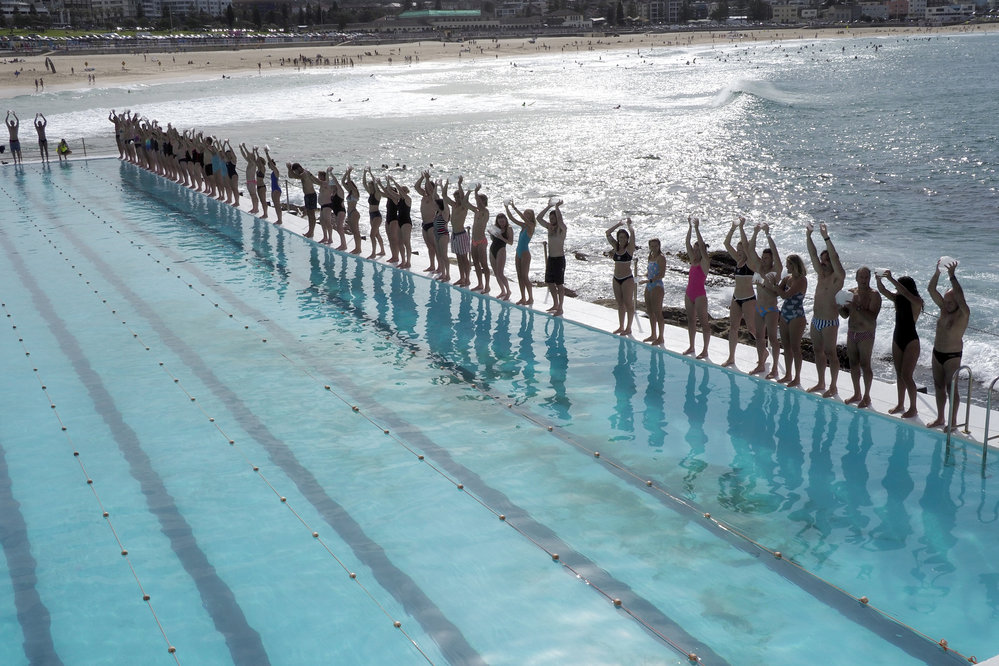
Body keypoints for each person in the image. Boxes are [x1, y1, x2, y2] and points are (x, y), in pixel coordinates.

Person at [927, 259, 970, 429]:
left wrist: (952, 276)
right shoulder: (944, 308)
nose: (946, 304)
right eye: (945, 301)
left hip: (952, 355)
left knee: (951, 388)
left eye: (951, 301)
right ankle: (940, 418)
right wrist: (937, 272)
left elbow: (960, 298)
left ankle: (952, 421)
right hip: (937, 352)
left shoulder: (963, 313)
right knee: (938, 386)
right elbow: (931, 290)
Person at [805, 222, 845, 397]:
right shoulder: (821, 275)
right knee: (817, 351)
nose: (823, 263)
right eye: (822, 261)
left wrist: (825, 236)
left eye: (826, 260)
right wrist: (808, 235)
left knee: (831, 353)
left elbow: (835, 257)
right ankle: (821, 382)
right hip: (816, 320)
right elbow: (812, 254)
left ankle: (833, 386)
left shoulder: (838, 277)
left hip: (829, 321)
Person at [876, 270, 923, 418]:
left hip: (911, 340)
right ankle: (900, 404)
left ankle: (913, 408)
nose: (897, 290)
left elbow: (905, 293)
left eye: (899, 287)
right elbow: (883, 290)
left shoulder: (916, 301)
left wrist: (891, 279)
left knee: (907, 375)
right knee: (899, 374)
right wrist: (878, 279)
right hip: (897, 338)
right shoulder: (898, 299)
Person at [839, 267, 882, 408]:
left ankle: (867, 396)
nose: (864, 280)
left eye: (866, 277)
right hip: (852, 332)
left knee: (865, 364)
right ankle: (857, 393)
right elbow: (845, 315)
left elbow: (872, 318)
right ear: (856, 278)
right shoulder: (850, 293)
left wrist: (858, 307)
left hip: (866, 333)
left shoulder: (874, 295)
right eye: (861, 277)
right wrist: (839, 306)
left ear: (869, 278)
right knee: (853, 364)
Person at [743, 222, 782, 378]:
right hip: (759, 308)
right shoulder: (759, 267)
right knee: (759, 337)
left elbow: (776, 254)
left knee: (772, 338)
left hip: (771, 309)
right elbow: (750, 250)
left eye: (767, 258)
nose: (764, 260)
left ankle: (774, 368)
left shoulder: (775, 270)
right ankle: (760, 364)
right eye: (763, 257)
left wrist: (767, 234)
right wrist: (755, 232)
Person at [722, 217, 758, 368]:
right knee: (733, 327)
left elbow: (748, 246)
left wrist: (742, 228)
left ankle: (764, 350)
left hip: (749, 298)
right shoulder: (737, 260)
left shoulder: (750, 262)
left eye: (742, 249)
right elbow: (726, 243)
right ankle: (731, 357)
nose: (739, 251)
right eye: (738, 249)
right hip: (736, 297)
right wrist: (733, 228)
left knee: (751, 328)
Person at [776, 254, 808, 387]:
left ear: (794, 265)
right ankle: (788, 374)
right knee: (786, 346)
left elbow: (784, 295)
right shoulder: (787, 278)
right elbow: (778, 289)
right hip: (785, 314)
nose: (786, 266)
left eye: (788, 264)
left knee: (795, 347)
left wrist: (774, 286)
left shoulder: (801, 280)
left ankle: (797, 377)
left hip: (797, 315)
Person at [683, 217, 711, 359]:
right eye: (694, 249)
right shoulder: (692, 260)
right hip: (689, 294)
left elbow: (701, 245)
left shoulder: (705, 263)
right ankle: (692, 346)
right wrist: (689, 227)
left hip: (700, 295)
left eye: (697, 249)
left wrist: (697, 228)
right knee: (691, 320)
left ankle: (705, 350)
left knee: (704, 323)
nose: (695, 251)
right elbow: (687, 243)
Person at [606, 218, 636, 335]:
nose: (622, 239)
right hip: (616, 278)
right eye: (620, 237)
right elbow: (607, 233)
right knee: (620, 304)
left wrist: (629, 225)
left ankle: (628, 327)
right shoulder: (616, 247)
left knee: (628, 303)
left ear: (627, 239)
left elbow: (633, 234)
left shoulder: (629, 249)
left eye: (624, 237)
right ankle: (621, 326)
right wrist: (618, 224)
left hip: (627, 279)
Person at [537, 200, 566, 316]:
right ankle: (555, 304)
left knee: (559, 284)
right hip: (551, 259)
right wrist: (548, 206)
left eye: (554, 218)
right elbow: (539, 218)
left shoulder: (562, 229)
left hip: (559, 259)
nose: (552, 220)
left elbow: (561, 221)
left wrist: (557, 208)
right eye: (551, 218)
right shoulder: (549, 227)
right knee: (550, 282)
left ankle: (560, 307)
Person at [445, 177, 473, 286]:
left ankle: (467, 279)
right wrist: (446, 184)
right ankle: (462, 278)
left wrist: (459, 184)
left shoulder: (463, 207)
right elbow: (444, 196)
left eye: (458, 197)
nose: (457, 199)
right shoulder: (454, 206)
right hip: (454, 235)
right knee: (458, 258)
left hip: (461, 234)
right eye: (455, 197)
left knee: (464, 259)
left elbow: (463, 197)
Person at [641, 238, 666, 345]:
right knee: (650, 311)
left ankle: (661, 337)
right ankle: (653, 334)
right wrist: (642, 276)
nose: (654, 248)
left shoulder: (661, 258)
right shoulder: (650, 256)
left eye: (656, 246)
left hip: (657, 285)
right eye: (651, 246)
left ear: (659, 246)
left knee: (658, 312)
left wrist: (650, 280)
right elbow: (649, 271)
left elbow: (662, 274)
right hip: (649, 284)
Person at [466, 185, 491, 293]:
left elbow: (480, 203)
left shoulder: (485, 212)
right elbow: (465, 203)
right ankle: (480, 284)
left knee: (484, 264)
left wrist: (476, 192)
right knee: (475, 262)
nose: (477, 202)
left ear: (484, 202)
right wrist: (469, 191)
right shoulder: (476, 211)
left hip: (482, 241)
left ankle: (487, 285)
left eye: (479, 200)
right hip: (474, 240)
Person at [287, 162, 320, 237]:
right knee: (309, 214)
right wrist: (289, 169)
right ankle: (310, 231)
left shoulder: (305, 173)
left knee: (311, 215)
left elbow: (294, 176)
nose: (296, 173)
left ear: (299, 168)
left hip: (311, 195)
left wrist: (289, 168)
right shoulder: (303, 173)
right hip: (307, 195)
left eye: (296, 171)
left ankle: (311, 232)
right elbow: (290, 176)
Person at [414, 171, 438, 274]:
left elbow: (432, 191)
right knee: (429, 246)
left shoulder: (434, 197)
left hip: (432, 224)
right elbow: (416, 186)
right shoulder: (424, 196)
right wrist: (422, 177)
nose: (426, 189)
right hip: (424, 224)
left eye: (428, 187)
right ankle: (432, 265)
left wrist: (428, 179)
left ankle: (440, 266)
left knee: (435, 246)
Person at [488, 212, 514, 301]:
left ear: (506, 220)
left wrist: (501, 237)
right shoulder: (496, 228)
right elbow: (493, 239)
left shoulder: (509, 228)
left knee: (500, 273)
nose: (501, 223)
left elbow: (510, 242)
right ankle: (502, 291)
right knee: (496, 273)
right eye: (500, 222)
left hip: (501, 250)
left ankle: (508, 291)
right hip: (492, 249)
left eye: (503, 221)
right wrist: (491, 233)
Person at [362, 167, 385, 259]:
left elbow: (375, 183)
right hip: (371, 215)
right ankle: (382, 250)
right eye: (369, 186)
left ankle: (373, 253)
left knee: (372, 235)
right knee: (376, 234)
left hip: (376, 215)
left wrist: (371, 173)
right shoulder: (371, 193)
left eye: (371, 186)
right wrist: (364, 173)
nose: (369, 188)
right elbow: (363, 183)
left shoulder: (377, 194)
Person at [342, 167, 363, 254]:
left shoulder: (355, 192)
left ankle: (358, 248)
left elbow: (349, 184)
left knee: (356, 231)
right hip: (350, 213)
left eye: (349, 185)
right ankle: (356, 247)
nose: (347, 186)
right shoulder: (350, 192)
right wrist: (346, 173)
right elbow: (343, 182)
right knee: (354, 231)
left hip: (354, 212)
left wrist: (349, 173)